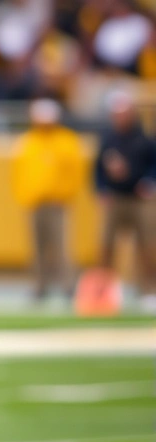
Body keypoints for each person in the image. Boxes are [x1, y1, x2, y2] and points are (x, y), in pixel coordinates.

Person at [11, 98, 84, 305]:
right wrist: (23, 196)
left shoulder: (66, 141)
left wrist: (66, 195)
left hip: (57, 202)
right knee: (37, 249)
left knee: (62, 247)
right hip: (34, 202)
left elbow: (75, 173)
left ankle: (69, 286)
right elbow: (18, 173)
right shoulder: (27, 141)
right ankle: (39, 287)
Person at [94, 91, 156, 313]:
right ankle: (105, 291)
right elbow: (98, 168)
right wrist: (101, 189)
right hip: (115, 196)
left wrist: (149, 181)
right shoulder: (108, 138)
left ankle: (148, 290)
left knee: (147, 245)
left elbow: (153, 164)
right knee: (105, 245)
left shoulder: (144, 139)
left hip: (140, 198)